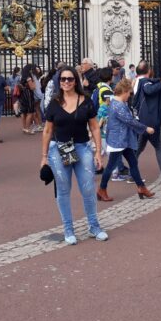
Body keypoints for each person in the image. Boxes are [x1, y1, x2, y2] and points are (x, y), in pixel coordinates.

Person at [40, 66, 108, 245]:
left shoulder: (86, 101)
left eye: (70, 79)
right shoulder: (54, 103)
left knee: (87, 188)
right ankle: (68, 229)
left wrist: (98, 152)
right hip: (59, 149)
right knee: (63, 190)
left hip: (82, 148)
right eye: (63, 79)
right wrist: (44, 156)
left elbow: (94, 127)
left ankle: (94, 226)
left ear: (76, 81)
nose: (66, 82)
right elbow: (47, 131)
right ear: (59, 81)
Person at [97, 79, 155, 202]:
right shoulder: (118, 105)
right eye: (129, 93)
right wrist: (145, 128)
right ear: (124, 91)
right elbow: (129, 120)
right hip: (118, 141)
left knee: (133, 163)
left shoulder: (116, 102)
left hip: (123, 140)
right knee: (110, 166)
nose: (129, 96)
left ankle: (141, 187)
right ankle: (102, 190)